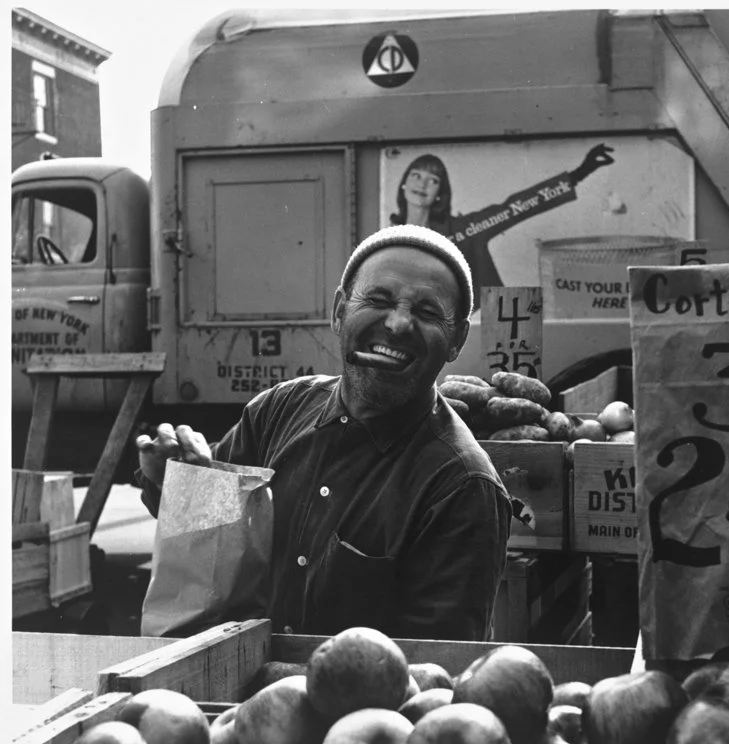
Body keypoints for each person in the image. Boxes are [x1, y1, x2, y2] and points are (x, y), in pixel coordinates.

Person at [135, 224, 512, 641]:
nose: (399, 323)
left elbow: (435, 671)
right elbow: (210, 539)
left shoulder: (462, 486)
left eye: (426, 312)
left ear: (456, 339)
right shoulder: (277, 412)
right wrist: (170, 480)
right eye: (379, 299)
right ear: (339, 312)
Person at [389, 144, 616, 308]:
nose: (422, 184)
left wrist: (580, 172)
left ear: (440, 193)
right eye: (416, 175)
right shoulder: (388, 241)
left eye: (433, 180)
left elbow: (515, 207)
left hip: (480, 326)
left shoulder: (464, 231)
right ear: (404, 184)